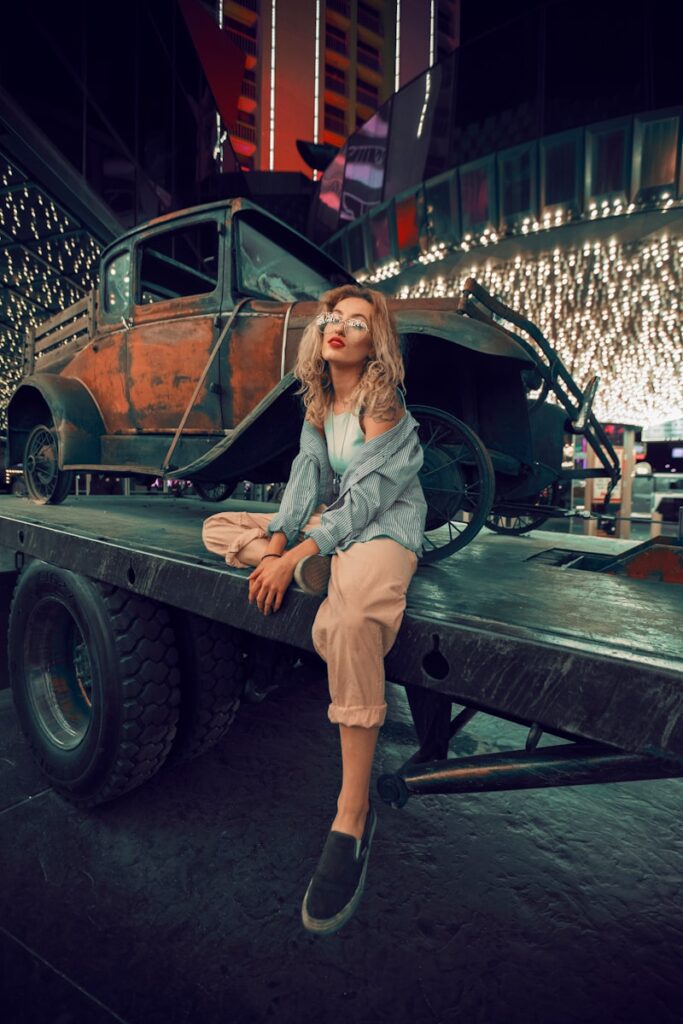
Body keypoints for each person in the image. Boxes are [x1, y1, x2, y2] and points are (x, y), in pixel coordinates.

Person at [202, 285, 427, 935]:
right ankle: (307, 569)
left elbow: (361, 507)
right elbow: (305, 479)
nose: (339, 327)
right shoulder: (319, 401)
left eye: (357, 323)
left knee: (350, 623)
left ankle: (352, 812)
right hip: (329, 529)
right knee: (217, 527)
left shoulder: (387, 410)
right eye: (332, 317)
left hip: (381, 528)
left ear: (372, 342)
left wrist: (296, 548)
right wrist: (276, 544)